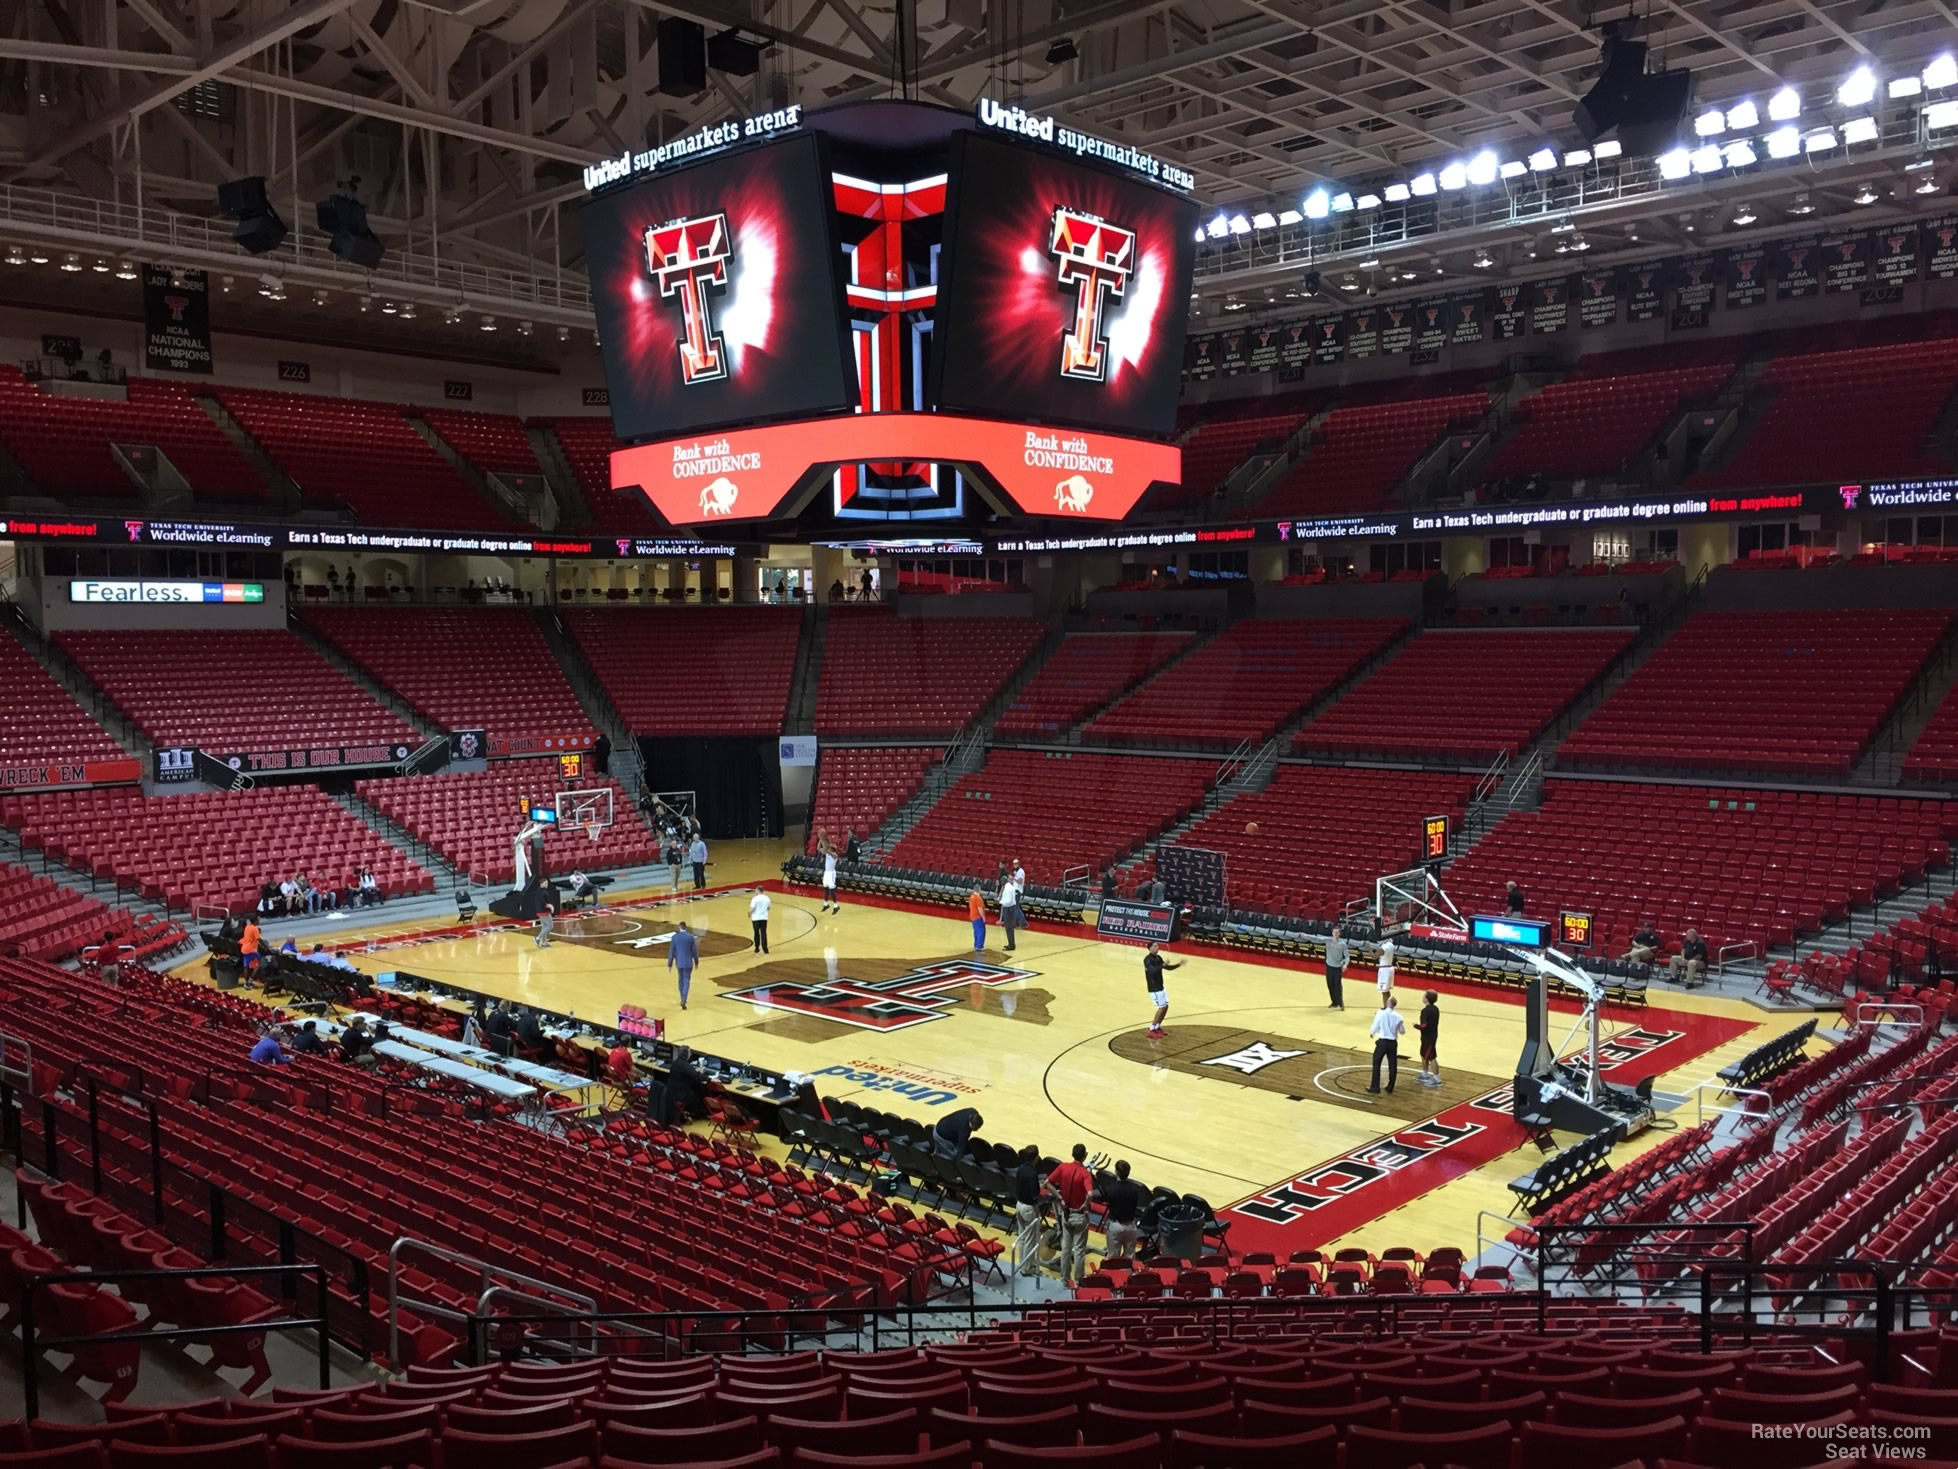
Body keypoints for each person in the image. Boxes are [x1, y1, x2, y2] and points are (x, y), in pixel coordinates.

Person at [1043, 1143, 1096, 1288]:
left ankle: (1064, 1278)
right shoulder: (1085, 1173)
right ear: (1084, 1156)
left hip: (1066, 1213)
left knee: (1066, 1248)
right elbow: (1090, 1193)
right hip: (1079, 1215)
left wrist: (1059, 1198)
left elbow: (1047, 1183)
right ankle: (1078, 1280)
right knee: (1079, 1250)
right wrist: (1085, 1204)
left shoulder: (1063, 1167)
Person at [1096, 1160, 1146, 1262]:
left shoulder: (1111, 1189)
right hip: (1131, 1226)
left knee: (1113, 1259)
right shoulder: (1134, 1190)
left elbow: (1098, 1196)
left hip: (1116, 1226)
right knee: (1130, 1258)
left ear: (1116, 1172)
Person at [1011, 1144, 1045, 1278]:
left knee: (1023, 1237)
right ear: (1036, 1157)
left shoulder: (1021, 1168)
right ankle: (1027, 1268)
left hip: (1019, 1204)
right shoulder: (1032, 1173)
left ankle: (1023, 1263)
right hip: (1029, 1208)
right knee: (1030, 1239)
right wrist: (1041, 1186)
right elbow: (1035, 1194)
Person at [1144, 940, 1182, 1038]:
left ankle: (1157, 1027)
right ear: (1150, 948)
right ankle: (1151, 1029)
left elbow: (1167, 968)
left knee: (1165, 1007)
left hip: (1161, 987)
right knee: (1161, 1008)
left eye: (1157, 946)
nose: (1157, 947)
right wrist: (1162, 965)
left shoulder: (1158, 958)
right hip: (1154, 988)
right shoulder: (1147, 960)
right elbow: (1152, 971)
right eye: (1155, 946)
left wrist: (1178, 965)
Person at [1368, 995, 1405, 1095]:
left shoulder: (1380, 1013)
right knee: (1392, 1065)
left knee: (1376, 1063)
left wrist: (1372, 1032)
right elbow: (1402, 1031)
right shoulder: (1399, 1017)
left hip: (1382, 1042)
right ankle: (1390, 1086)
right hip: (1392, 1043)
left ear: (1388, 1003)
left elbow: (1375, 1025)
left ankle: (1375, 1087)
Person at [668, 920, 700, 1009]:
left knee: (680, 979)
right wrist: (696, 962)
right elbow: (694, 951)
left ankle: (682, 997)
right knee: (686, 980)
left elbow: (672, 952)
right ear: (686, 927)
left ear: (679, 927)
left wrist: (670, 964)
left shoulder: (674, 937)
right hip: (688, 963)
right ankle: (684, 999)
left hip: (679, 963)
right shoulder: (690, 937)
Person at [1417, 990, 1442, 1088]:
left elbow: (1424, 1025)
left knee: (1431, 1057)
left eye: (1424, 995)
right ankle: (1425, 1074)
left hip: (1428, 1037)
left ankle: (1437, 1078)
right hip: (1432, 1035)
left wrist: (1416, 1026)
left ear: (1426, 999)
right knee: (1424, 1055)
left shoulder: (1425, 1011)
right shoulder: (1436, 1009)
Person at [997, 870, 1023, 953]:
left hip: (1008, 909)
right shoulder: (1011, 887)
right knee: (1010, 928)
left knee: (1008, 928)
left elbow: (1007, 901)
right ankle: (1011, 944)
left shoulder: (1007, 889)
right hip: (1011, 908)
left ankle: (1011, 945)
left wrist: (1000, 902)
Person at [1323, 928, 1348, 1010]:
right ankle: (1334, 1002)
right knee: (1330, 985)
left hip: (1337, 968)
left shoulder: (1342, 944)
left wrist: (1345, 965)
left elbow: (1347, 957)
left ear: (1339, 934)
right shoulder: (1328, 941)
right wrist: (1305, 936)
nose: (1335, 934)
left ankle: (1340, 1004)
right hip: (1329, 966)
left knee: (1337, 986)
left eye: (1337, 932)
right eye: (1334, 932)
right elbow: (1317, 939)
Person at [819, 837, 840, 915]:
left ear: (833, 849)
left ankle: (836, 906)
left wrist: (823, 841)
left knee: (832, 891)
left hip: (831, 873)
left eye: (831, 848)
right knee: (826, 889)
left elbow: (827, 850)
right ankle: (826, 904)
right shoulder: (828, 853)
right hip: (826, 873)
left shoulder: (835, 855)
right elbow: (818, 848)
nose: (829, 848)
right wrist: (820, 840)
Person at [749, 888, 772, 954]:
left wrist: (750, 913)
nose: (755, 891)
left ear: (759, 890)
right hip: (764, 918)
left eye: (756, 890)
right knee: (763, 933)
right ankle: (765, 949)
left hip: (756, 918)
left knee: (756, 933)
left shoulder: (755, 898)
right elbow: (769, 908)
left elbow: (753, 908)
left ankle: (757, 948)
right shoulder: (767, 898)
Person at [1376, 936, 1397, 1007]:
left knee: (1384, 991)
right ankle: (1389, 1006)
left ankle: (1386, 1007)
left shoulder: (1384, 947)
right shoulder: (1391, 944)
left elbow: (1373, 956)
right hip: (1389, 967)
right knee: (1387, 990)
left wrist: (1368, 948)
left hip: (1384, 969)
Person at [968, 888, 987, 952]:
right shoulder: (978, 898)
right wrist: (983, 917)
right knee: (981, 931)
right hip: (978, 917)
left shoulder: (972, 896)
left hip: (973, 916)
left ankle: (976, 945)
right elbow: (980, 908)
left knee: (976, 931)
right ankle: (979, 946)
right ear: (979, 890)